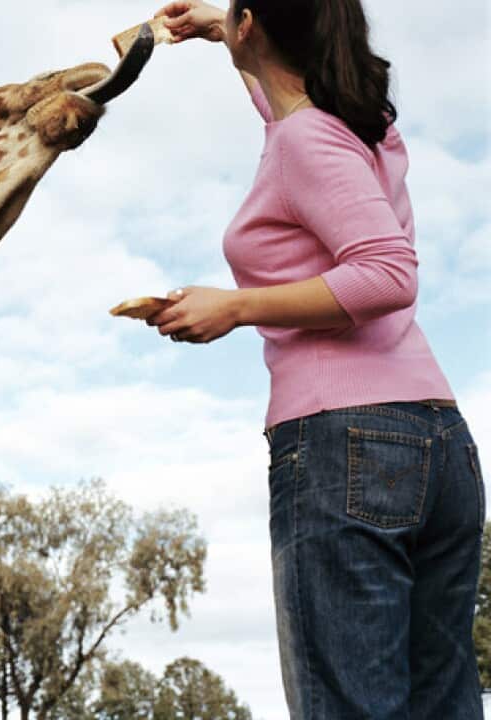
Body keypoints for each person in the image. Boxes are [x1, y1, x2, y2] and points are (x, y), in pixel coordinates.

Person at [145, 0, 486, 717]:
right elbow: (283, 111)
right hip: (439, 444)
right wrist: (220, 30)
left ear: (253, 26)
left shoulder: (307, 139)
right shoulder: (363, 129)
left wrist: (236, 307)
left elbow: (388, 273)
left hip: (347, 444)